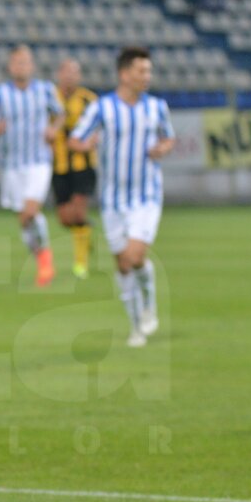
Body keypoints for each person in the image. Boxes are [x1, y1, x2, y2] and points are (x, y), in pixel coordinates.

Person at [69, 46, 175, 348]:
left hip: (147, 195)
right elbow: (75, 139)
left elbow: (168, 138)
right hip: (113, 199)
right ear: (124, 74)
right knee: (123, 265)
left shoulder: (156, 107)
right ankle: (135, 327)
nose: (147, 76)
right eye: (142, 71)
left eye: (148, 71)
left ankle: (149, 303)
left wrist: (162, 149)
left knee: (135, 255)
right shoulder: (102, 108)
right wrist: (86, 144)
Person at [0, 45, 63, 287]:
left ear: (32, 66)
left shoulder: (45, 90)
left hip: (39, 161)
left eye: (26, 62)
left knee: (30, 210)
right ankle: (41, 259)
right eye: (17, 63)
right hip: (12, 164)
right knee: (24, 220)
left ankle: (46, 261)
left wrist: (53, 129)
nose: (22, 67)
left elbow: (60, 114)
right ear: (10, 67)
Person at [51, 58, 99, 280]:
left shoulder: (89, 100)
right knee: (65, 218)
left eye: (75, 72)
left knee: (78, 211)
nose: (70, 76)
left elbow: (101, 127)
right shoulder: (49, 98)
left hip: (84, 164)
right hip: (58, 165)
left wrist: (91, 141)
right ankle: (86, 232)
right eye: (66, 71)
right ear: (59, 74)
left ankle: (81, 264)